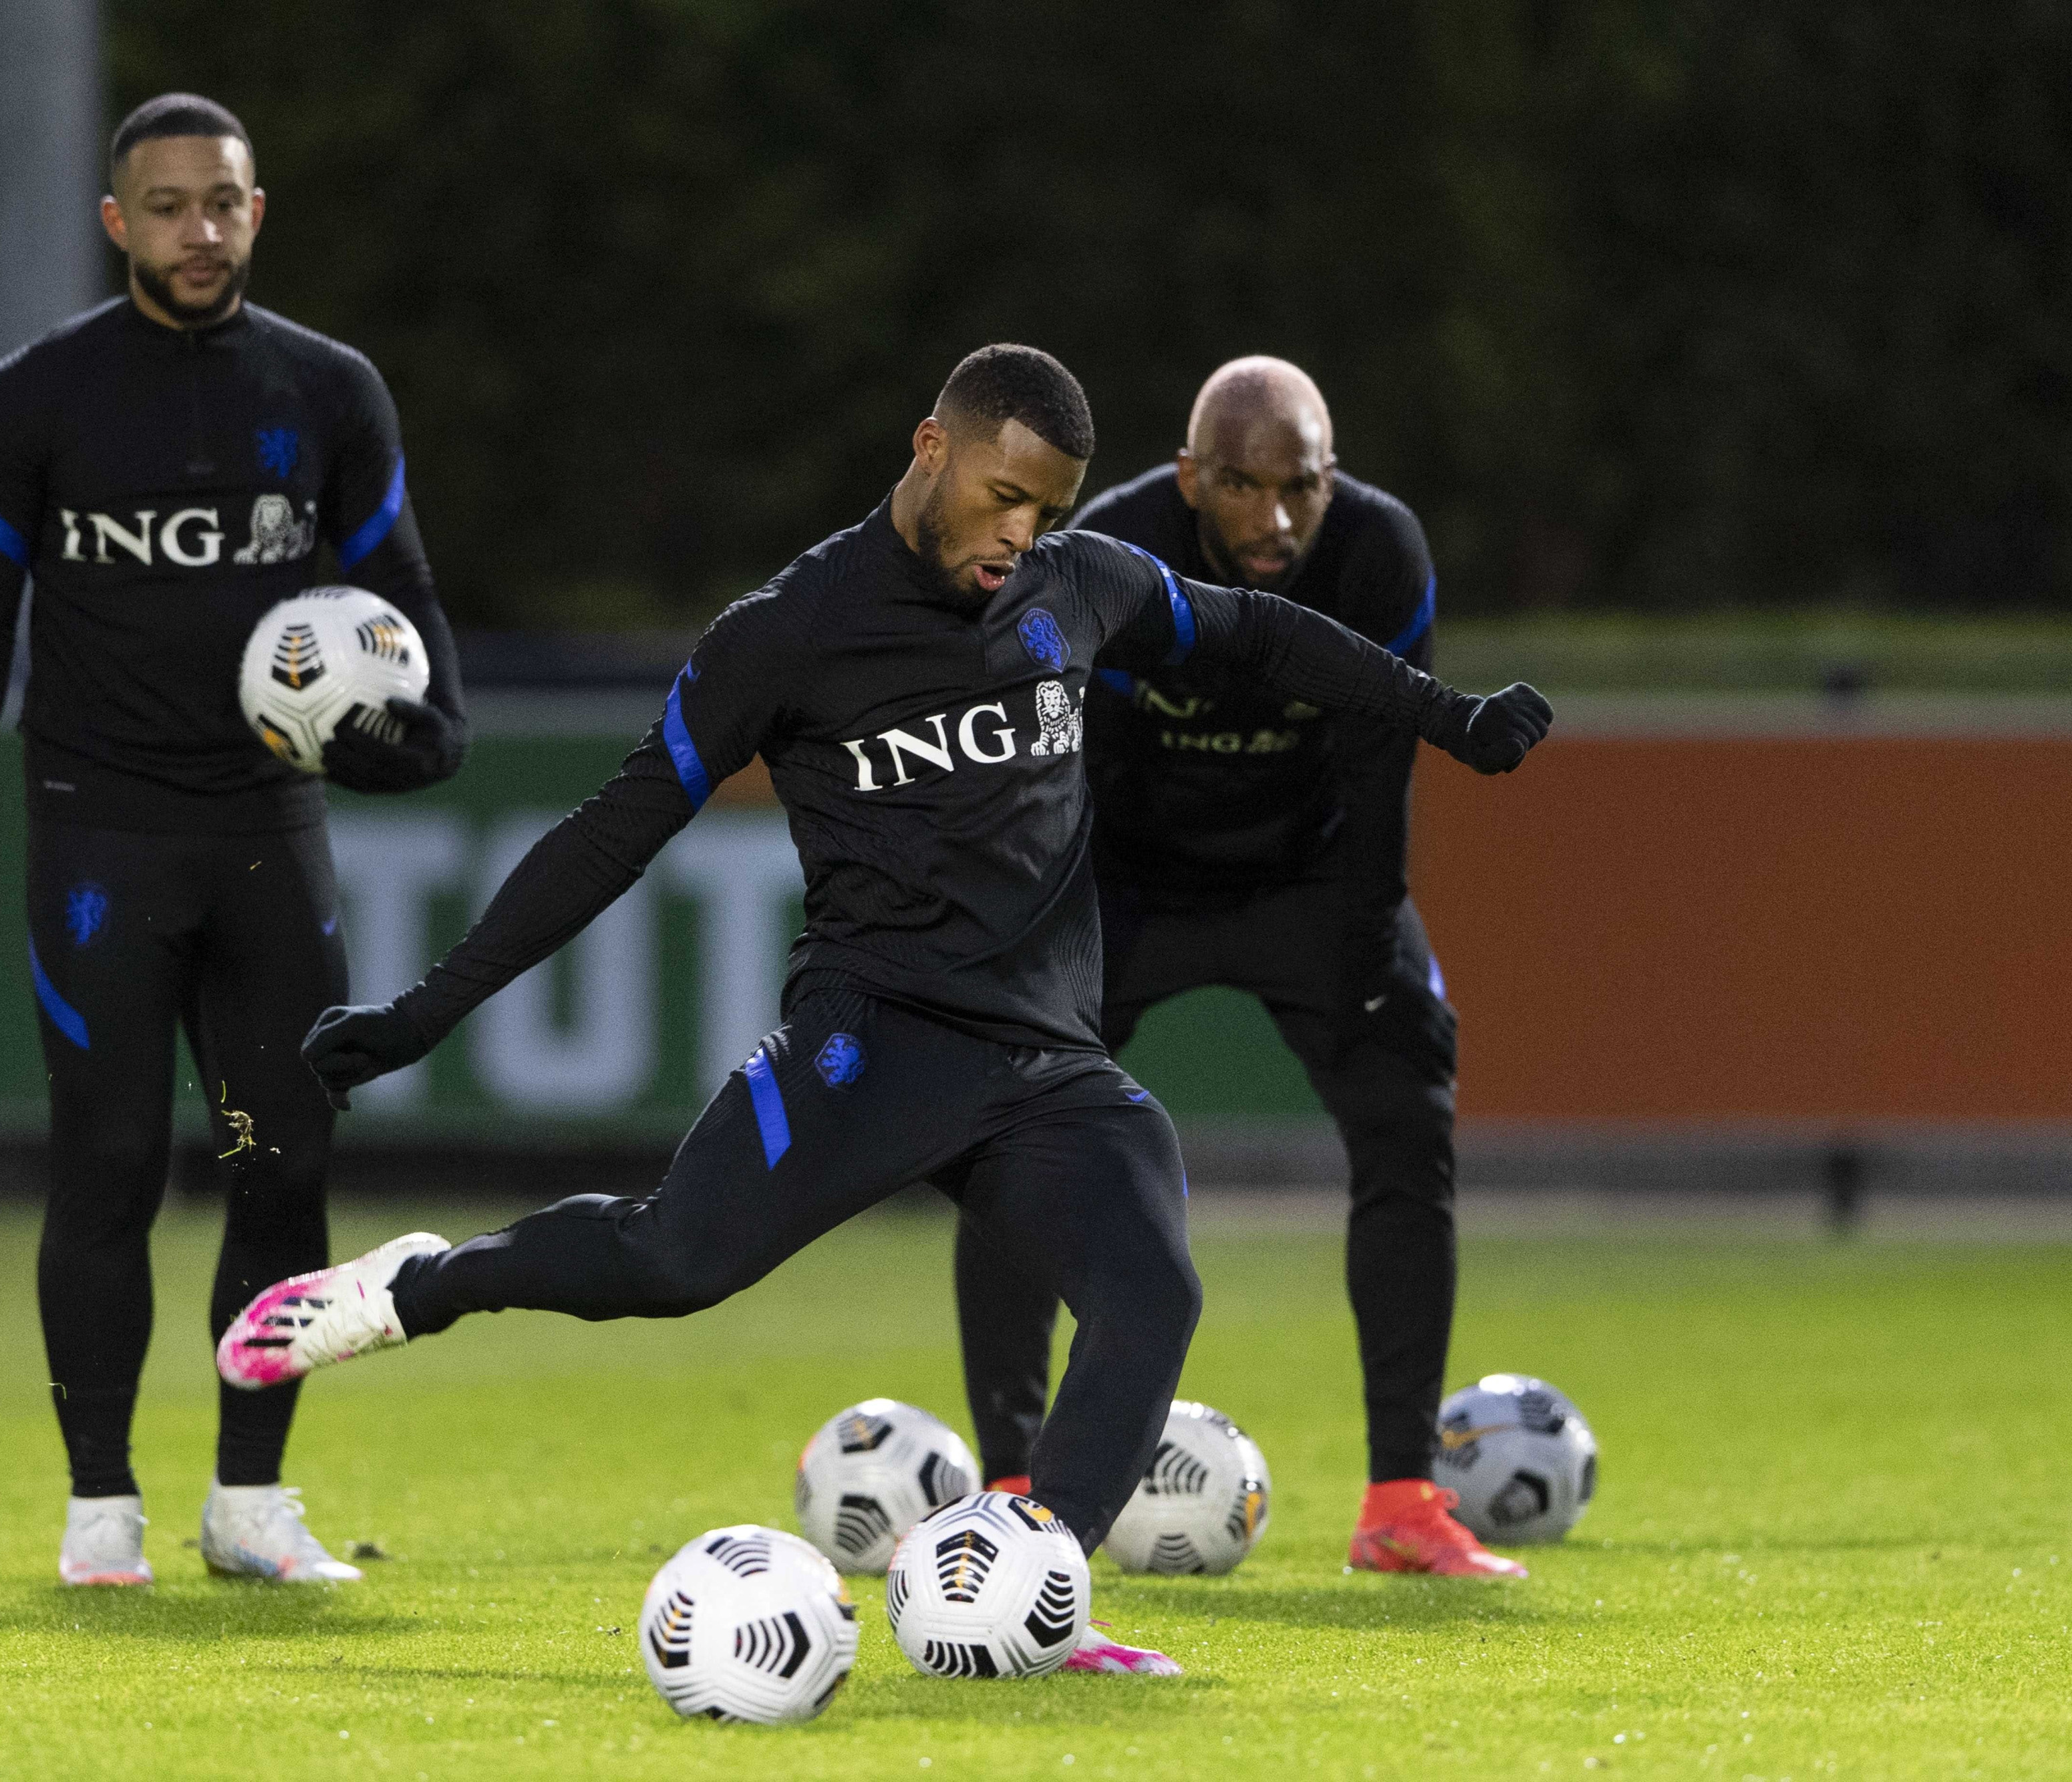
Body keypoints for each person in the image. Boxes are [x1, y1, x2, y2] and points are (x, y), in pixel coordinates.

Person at [216, 345, 1548, 1674]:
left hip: (1041, 1059)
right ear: (930, 450)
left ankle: (1046, 1589)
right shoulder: (788, 630)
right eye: (1000, 494)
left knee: (1149, 1286)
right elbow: (614, 831)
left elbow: (1261, 633)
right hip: (871, 1040)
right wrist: (425, 1010)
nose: (1017, 532)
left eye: (1050, 507)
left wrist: (1449, 716)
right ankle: (420, 1282)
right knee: (671, 1263)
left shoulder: (1075, 587)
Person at [0, 94, 467, 1588]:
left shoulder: (330, 391)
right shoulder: (34, 401)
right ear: (118, 225)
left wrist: (425, 736)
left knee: (278, 1166)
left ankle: (249, 1501)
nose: (196, 229)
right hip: (99, 836)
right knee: (105, 1164)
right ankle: (101, 1507)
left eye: (220, 201)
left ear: (255, 210)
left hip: (267, 840)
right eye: (166, 205)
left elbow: (406, 612)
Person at [949, 356, 1522, 1578]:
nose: (1275, 521)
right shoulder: (1110, 547)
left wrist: (1368, 953)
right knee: (1004, 1121)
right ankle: (1006, 1486)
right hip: (1129, 878)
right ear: (1191, 475)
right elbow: (1054, 773)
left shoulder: (1380, 554)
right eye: (1245, 489)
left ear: (1333, 478)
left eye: (1301, 489)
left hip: (1309, 878)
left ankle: (1403, 1503)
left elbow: (1382, 771)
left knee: (1409, 1112)